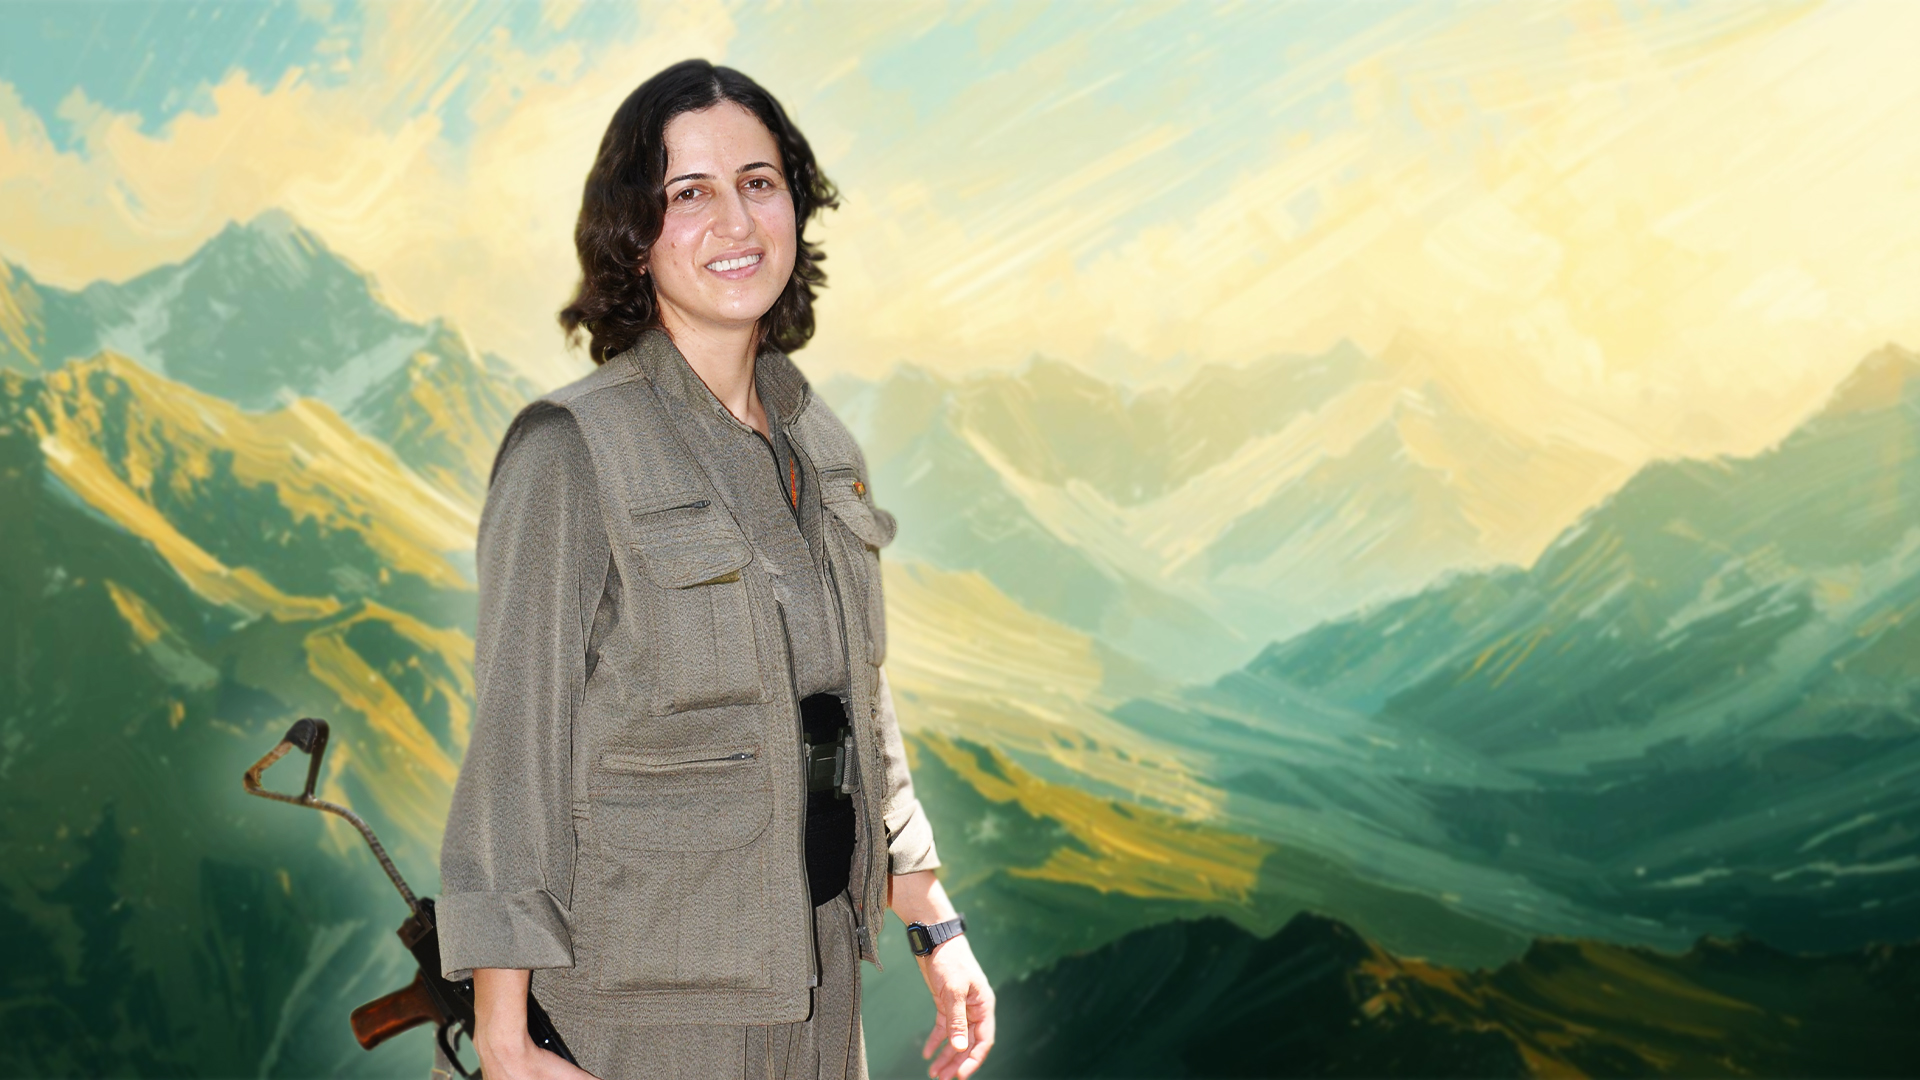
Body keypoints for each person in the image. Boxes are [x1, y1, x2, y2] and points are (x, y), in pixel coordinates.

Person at [433, 60, 995, 1080]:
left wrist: (930, 916)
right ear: (634, 234)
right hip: (644, 1009)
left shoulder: (820, 442)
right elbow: (514, 744)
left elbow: (853, 700)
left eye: (758, 182)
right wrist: (506, 1038)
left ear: (795, 206)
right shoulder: (570, 449)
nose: (735, 221)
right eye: (689, 193)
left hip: (818, 981)